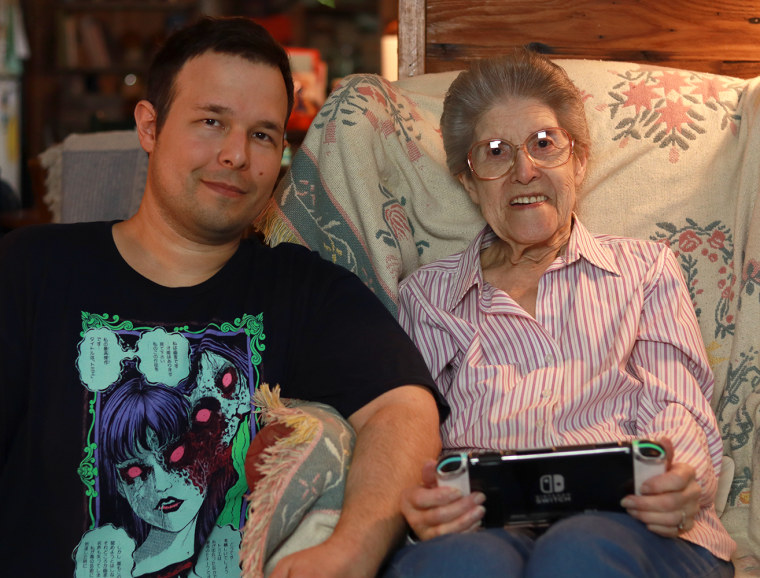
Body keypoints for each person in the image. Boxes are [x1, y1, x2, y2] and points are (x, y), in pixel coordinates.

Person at [0, 17, 443, 577]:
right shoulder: (32, 269)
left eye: (262, 135)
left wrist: (352, 549)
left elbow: (403, 408)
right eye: (212, 122)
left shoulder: (302, 290)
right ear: (149, 127)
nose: (236, 155)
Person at [380, 49, 736, 577]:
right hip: (486, 529)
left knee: (578, 550)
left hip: (640, 529)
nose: (525, 170)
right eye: (496, 152)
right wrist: (421, 502)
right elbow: (406, 436)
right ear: (468, 180)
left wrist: (677, 479)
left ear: (580, 161)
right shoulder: (427, 298)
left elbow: (677, 404)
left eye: (545, 144)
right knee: (458, 563)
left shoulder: (645, 271)